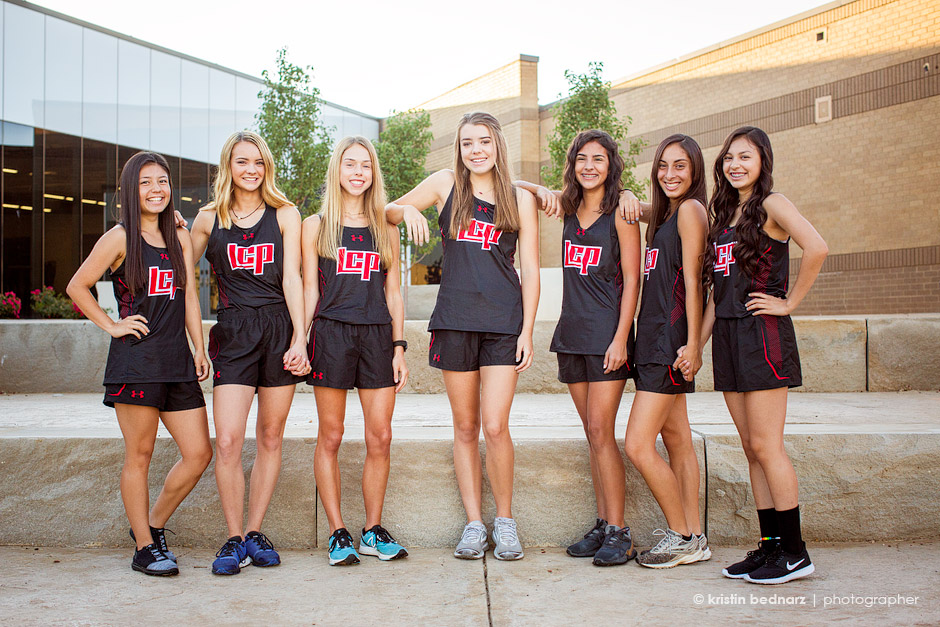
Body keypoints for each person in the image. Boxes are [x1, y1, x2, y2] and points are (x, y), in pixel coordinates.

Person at [387, 112, 540, 560]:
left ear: (497, 147)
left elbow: (530, 269)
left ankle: (505, 522)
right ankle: (475, 524)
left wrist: (527, 329)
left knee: (495, 425)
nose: (476, 150)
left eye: (484, 142)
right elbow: (386, 210)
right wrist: (410, 207)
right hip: (454, 319)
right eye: (468, 142)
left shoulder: (519, 199)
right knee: (466, 426)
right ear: (459, 148)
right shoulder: (443, 184)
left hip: (503, 323)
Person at [682, 126, 828, 584]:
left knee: (768, 445)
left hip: (761, 333)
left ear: (763, 160)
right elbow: (713, 295)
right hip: (727, 335)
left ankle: (796, 551)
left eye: (745, 156)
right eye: (728, 157)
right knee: (751, 448)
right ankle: (770, 549)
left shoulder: (772, 204)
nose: (735, 165)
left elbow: (818, 247)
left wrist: (787, 302)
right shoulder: (725, 213)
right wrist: (697, 348)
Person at [67, 152, 212, 576]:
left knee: (199, 452)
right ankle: (145, 549)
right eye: (146, 182)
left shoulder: (179, 237)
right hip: (136, 361)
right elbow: (78, 285)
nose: (156, 189)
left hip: (177, 359)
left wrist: (198, 348)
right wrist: (111, 325)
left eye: (162, 181)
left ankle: (151, 526)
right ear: (131, 190)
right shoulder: (119, 237)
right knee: (141, 454)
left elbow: (187, 295)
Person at [516, 130, 641, 566]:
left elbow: (634, 281)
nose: (590, 166)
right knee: (592, 434)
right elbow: (522, 188)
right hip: (572, 335)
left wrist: (622, 338)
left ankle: (620, 532)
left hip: (607, 336)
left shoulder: (623, 214)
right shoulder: (568, 207)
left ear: (611, 165)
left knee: (602, 431)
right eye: (582, 159)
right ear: (573, 165)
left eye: (599, 159)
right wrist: (542, 188)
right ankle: (604, 523)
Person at [189, 131, 309, 575]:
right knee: (228, 439)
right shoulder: (206, 219)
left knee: (271, 437)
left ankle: (255, 532)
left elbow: (293, 279)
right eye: (242, 162)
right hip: (234, 330)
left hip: (278, 328)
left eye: (258, 162)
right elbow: (181, 279)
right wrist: (195, 342)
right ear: (229, 166)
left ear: (267, 167)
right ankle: (233, 537)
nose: (251, 170)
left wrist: (300, 338)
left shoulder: (285, 214)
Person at [301, 136, 409, 565]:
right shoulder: (317, 224)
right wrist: (300, 339)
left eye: (365, 165)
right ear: (337, 170)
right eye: (350, 164)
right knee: (332, 434)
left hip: (377, 337)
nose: (358, 172)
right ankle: (337, 531)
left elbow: (395, 294)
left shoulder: (386, 226)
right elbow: (310, 288)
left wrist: (399, 347)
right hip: (330, 335)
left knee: (379, 436)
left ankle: (372, 530)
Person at [621, 134, 711, 569]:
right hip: (654, 339)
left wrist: (694, 344)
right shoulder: (663, 216)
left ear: (694, 171)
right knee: (677, 439)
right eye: (663, 166)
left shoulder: (691, 211)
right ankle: (696, 537)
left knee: (637, 444)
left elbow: (695, 283)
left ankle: (681, 534)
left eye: (680, 166)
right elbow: (613, 201)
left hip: (669, 344)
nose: (670, 174)